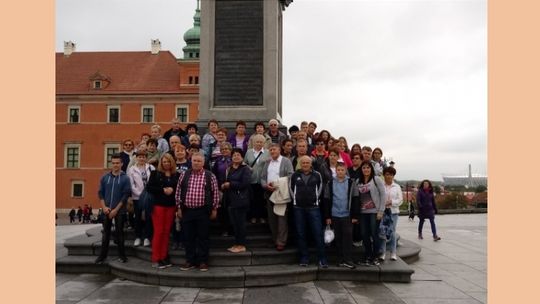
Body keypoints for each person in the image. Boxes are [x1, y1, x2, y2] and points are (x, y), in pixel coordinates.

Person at [176, 152, 220, 272]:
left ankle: (203, 261)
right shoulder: (184, 175)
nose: (196, 163)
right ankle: (189, 261)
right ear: (191, 161)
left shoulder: (209, 176)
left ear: (203, 162)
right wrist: (179, 208)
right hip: (187, 211)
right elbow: (178, 192)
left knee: (203, 237)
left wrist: (214, 209)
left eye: (199, 161)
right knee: (188, 237)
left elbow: (215, 193)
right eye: (194, 160)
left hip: (203, 211)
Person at [289, 155, 328, 268]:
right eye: (303, 163)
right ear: (300, 164)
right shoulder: (295, 175)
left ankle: (322, 258)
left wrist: (315, 199)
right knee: (301, 233)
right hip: (298, 208)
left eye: (307, 162)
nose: (305, 164)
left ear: (311, 164)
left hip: (313, 208)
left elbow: (320, 188)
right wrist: (296, 200)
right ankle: (304, 257)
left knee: (318, 233)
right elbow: (291, 188)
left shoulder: (317, 175)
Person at [95, 154, 131, 264]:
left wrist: (116, 210)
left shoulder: (125, 178)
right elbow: (100, 194)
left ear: (121, 164)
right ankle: (102, 256)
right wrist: (104, 207)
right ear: (111, 163)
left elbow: (125, 195)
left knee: (120, 233)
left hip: (120, 210)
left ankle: (122, 256)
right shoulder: (105, 177)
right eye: (113, 163)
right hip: (106, 210)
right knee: (106, 234)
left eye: (117, 163)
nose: (115, 165)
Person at [323, 163, 360, 269]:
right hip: (334, 214)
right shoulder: (330, 183)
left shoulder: (351, 182)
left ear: (345, 171)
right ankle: (340, 259)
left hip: (347, 215)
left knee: (347, 238)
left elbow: (356, 199)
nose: (340, 172)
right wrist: (327, 216)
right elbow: (326, 200)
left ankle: (348, 259)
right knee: (337, 238)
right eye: (338, 170)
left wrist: (354, 215)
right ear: (336, 171)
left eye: (342, 170)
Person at [146, 153, 180, 269]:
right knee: (159, 232)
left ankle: (164, 256)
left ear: (172, 163)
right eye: (164, 161)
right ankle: (156, 258)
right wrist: (163, 190)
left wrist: (173, 189)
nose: (166, 164)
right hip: (158, 206)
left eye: (168, 161)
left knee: (166, 232)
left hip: (171, 206)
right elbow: (149, 188)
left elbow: (180, 188)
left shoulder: (176, 175)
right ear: (161, 163)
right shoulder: (155, 174)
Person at [260, 144, 294, 251]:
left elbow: (291, 175)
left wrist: (278, 183)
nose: (272, 151)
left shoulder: (286, 161)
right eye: (270, 150)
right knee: (272, 219)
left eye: (274, 149)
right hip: (269, 193)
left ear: (279, 150)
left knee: (281, 219)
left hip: (281, 193)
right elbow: (263, 177)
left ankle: (281, 242)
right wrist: (265, 185)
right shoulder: (268, 162)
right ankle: (275, 240)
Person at [221, 148, 252, 253]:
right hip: (230, 199)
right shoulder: (229, 168)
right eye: (234, 155)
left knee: (240, 223)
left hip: (241, 199)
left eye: (238, 155)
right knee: (234, 223)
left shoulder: (245, 169)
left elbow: (245, 183)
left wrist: (231, 184)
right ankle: (237, 243)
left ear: (242, 157)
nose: (236, 157)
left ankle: (242, 244)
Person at [357, 160, 386, 266]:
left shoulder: (376, 179)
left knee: (374, 234)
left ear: (371, 169)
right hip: (363, 212)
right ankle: (368, 255)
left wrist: (381, 211)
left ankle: (375, 257)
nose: (366, 169)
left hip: (374, 212)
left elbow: (383, 195)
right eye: (364, 168)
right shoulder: (358, 181)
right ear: (361, 169)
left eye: (368, 167)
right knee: (364, 234)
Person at [127, 150, 155, 247]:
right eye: (139, 157)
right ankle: (138, 237)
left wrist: (147, 194)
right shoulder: (132, 169)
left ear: (146, 158)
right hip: (137, 197)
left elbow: (153, 182)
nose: (141, 158)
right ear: (136, 158)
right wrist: (140, 194)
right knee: (138, 217)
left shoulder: (151, 168)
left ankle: (147, 237)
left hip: (149, 197)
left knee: (148, 217)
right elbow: (131, 184)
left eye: (143, 157)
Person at [245, 134, 270, 224]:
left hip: (263, 179)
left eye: (261, 142)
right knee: (253, 199)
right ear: (253, 142)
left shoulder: (267, 152)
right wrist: (248, 168)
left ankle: (262, 216)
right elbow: (244, 163)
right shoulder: (249, 152)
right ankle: (253, 216)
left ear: (264, 143)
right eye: (257, 142)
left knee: (262, 199)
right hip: (252, 179)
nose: (259, 144)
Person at [379, 166, 403, 261]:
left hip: (393, 212)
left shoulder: (397, 187)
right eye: (387, 174)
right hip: (383, 212)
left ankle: (393, 252)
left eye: (391, 174)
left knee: (392, 232)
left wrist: (391, 202)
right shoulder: (381, 185)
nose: (389, 176)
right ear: (384, 175)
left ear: (393, 176)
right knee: (382, 232)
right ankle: (383, 252)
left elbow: (400, 200)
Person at [212, 142, 233, 236]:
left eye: (226, 149)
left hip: (232, 188)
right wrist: (217, 187)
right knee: (222, 210)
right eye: (223, 149)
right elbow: (214, 174)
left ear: (230, 150)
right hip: (220, 188)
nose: (224, 150)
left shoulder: (234, 159)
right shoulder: (218, 161)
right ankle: (224, 228)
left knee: (232, 210)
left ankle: (232, 229)